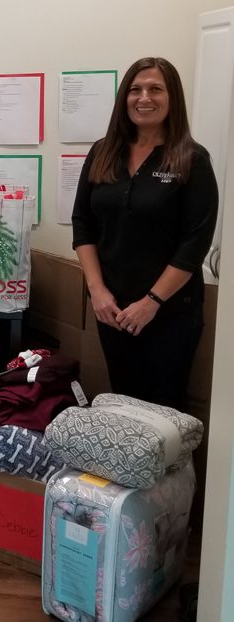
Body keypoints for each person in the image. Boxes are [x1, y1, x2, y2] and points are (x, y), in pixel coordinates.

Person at [72, 57, 218, 410]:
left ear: (172, 98)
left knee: (164, 409)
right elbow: (83, 223)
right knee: (122, 399)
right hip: (112, 307)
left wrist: (151, 303)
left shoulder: (191, 160)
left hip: (170, 311)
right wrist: (97, 291)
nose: (144, 98)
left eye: (155, 89)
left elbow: (194, 243)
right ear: (124, 98)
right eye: (135, 90)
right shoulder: (103, 152)